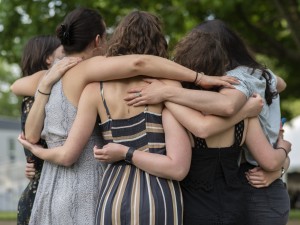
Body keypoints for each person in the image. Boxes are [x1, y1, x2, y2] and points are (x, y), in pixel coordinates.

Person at [11, 8, 239, 225]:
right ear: (98, 40)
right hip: (149, 193)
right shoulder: (164, 85)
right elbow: (140, 63)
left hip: (101, 192)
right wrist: (201, 79)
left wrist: (39, 150)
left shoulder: (87, 87)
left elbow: (17, 89)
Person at [123, 23, 292, 224]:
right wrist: (282, 151)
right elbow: (281, 84)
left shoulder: (186, 109)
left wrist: (165, 94)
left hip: (195, 207)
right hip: (238, 204)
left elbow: (205, 126)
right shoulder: (249, 105)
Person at [16, 35, 67, 225]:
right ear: (48, 59)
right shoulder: (36, 98)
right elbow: (32, 141)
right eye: (63, 52)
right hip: (40, 196)